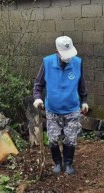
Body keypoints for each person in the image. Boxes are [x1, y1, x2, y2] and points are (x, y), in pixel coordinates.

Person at [33, 36, 88, 175]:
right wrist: (38, 99)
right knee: (53, 138)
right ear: (57, 52)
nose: (68, 58)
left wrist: (84, 101)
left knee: (71, 138)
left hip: (72, 109)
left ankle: (68, 163)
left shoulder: (77, 62)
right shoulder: (47, 63)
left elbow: (82, 84)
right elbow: (38, 85)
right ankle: (57, 162)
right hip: (52, 110)